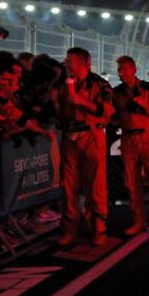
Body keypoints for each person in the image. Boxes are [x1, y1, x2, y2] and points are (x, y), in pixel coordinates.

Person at [56, 47, 115, 247]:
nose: (66, 64)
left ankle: (98, 224)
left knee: (96, 183)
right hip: (69, 139)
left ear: (85, 63)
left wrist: (79, 100)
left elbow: (106, 112)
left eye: (70, 61)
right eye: (66, 61)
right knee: (68, 184)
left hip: (92, 135)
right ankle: (70, 226)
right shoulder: (61, 84)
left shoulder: (100, 84)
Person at [113, 56, 149, 236]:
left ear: (134, 70)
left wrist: (144, 110)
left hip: (148, 137)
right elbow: (112, 116)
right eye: (119, 70)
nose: (121, 73)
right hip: (128, 139)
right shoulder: (116, 93)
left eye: (124, 70)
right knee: (131, 182)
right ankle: (138, 221)